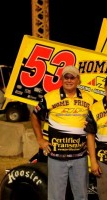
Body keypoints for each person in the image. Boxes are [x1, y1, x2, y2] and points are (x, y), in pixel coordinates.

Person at [31, 65, 96, 200]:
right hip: (56, 158)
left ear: (78, 80)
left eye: (72, 77)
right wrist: (40, 139)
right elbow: (34, 115)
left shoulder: (89, 99)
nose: (69, 80)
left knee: (82, 196)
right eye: (66, 77)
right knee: (56, 197)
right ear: (61, 79)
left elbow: (97, 121)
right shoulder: (49, 97)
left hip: (80, 157)